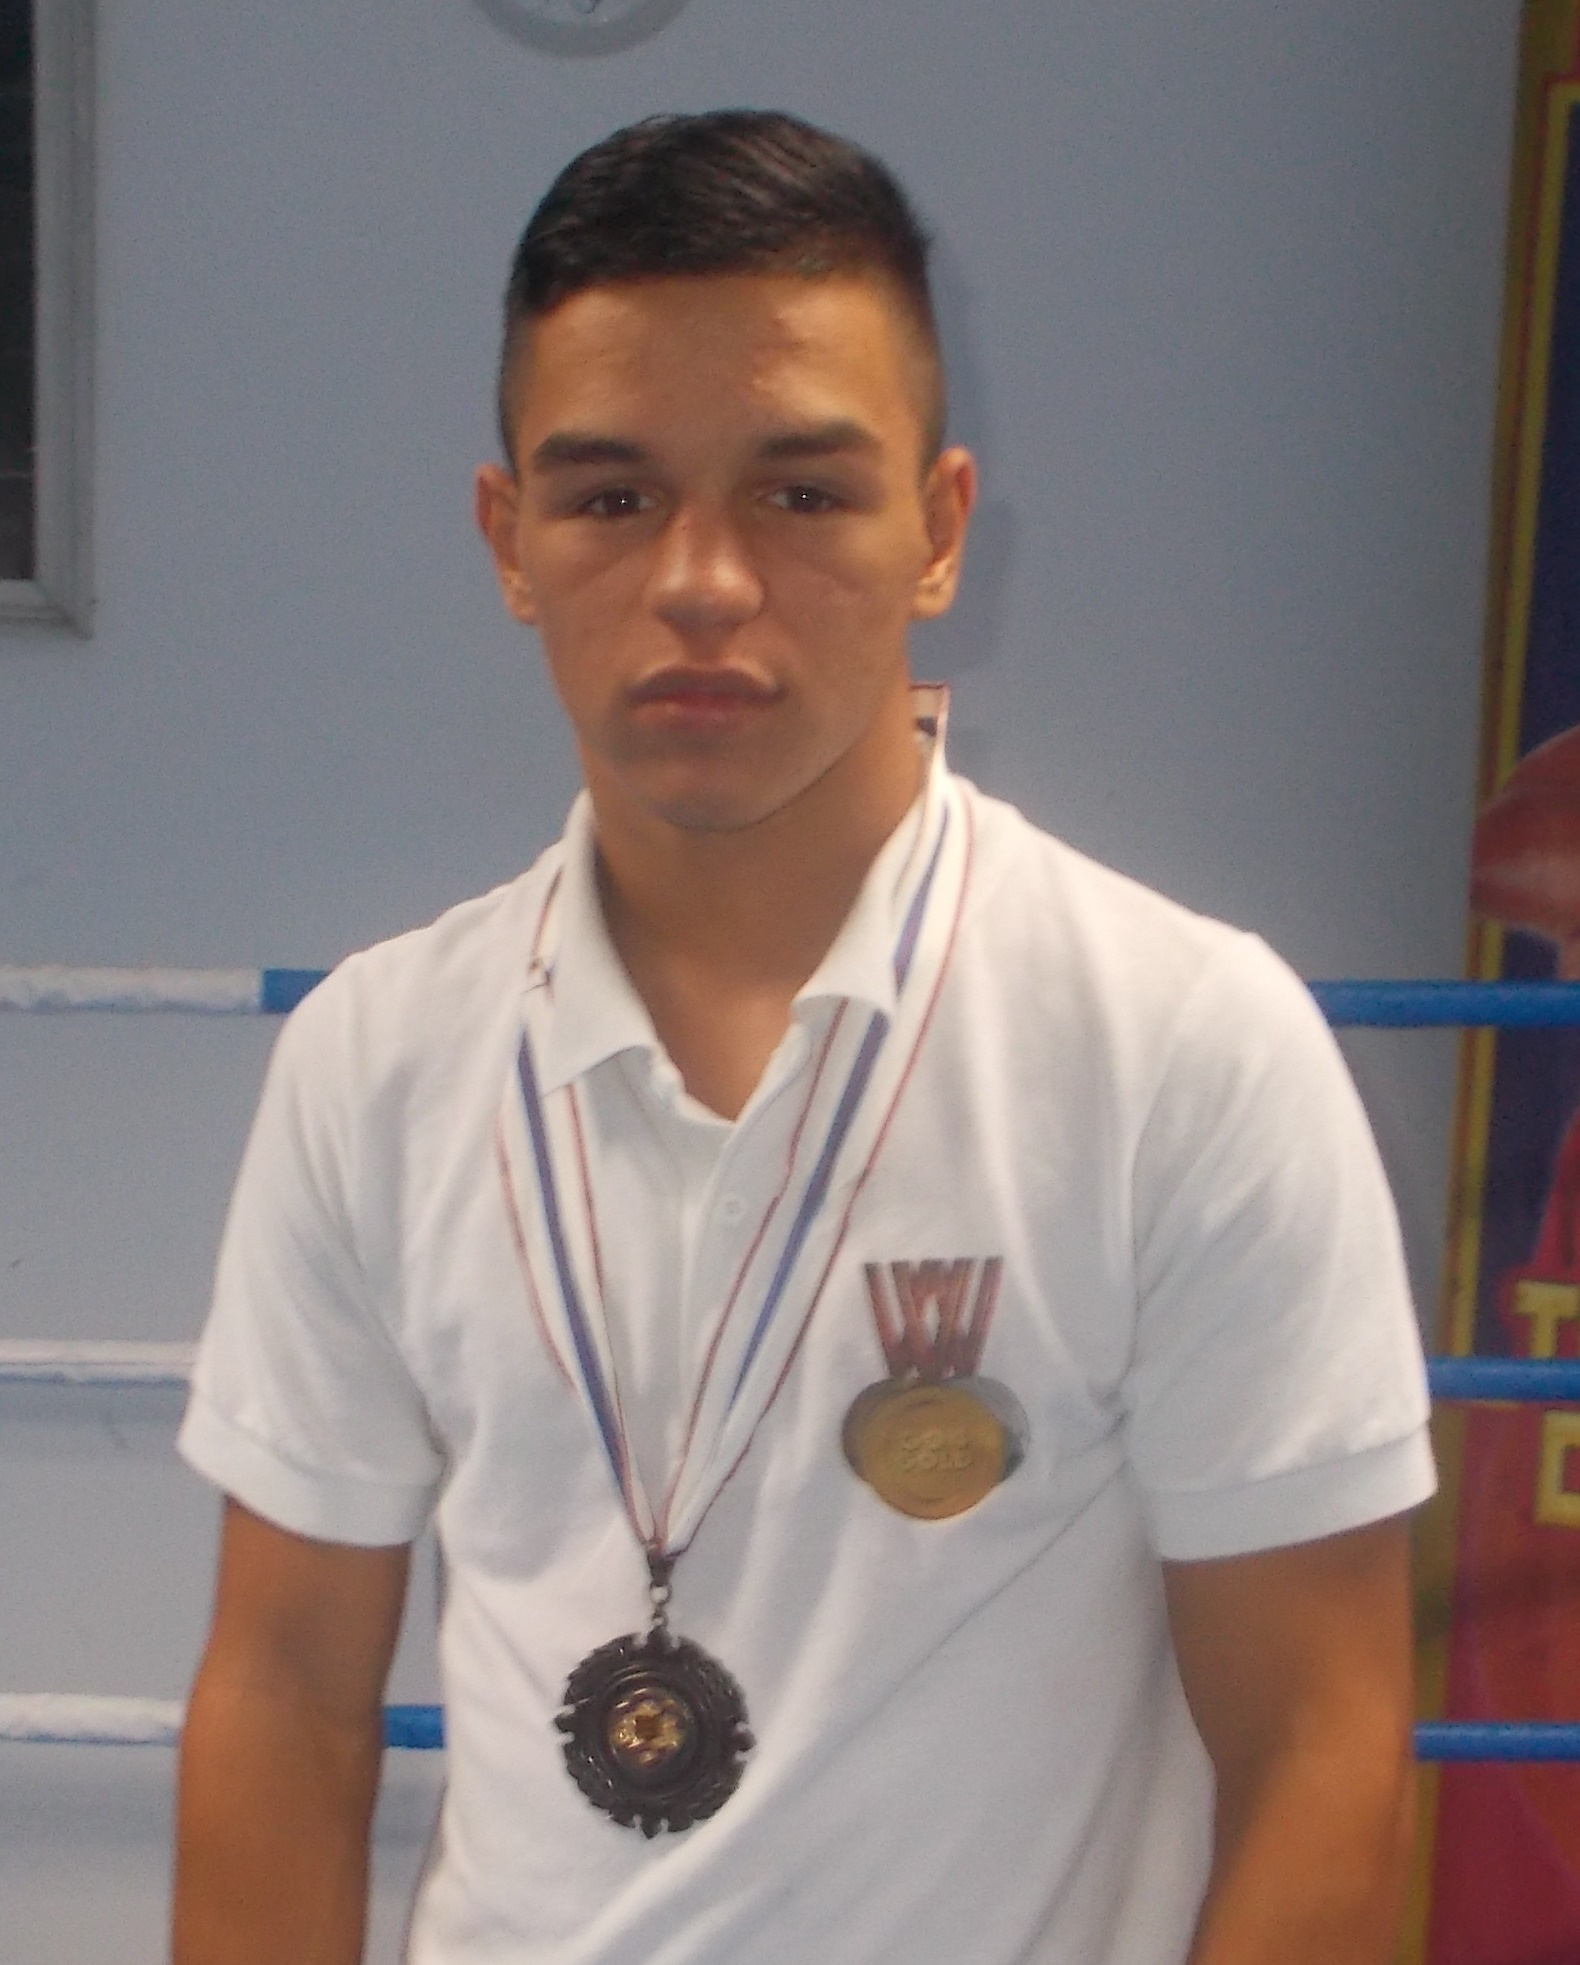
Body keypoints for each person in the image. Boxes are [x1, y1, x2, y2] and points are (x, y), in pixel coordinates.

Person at [171, 110, 1435, 1965]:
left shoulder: (1182, 1047)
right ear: (509, 539)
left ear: (939, 531)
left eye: (803, 494)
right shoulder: (377, 1058)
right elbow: (283, 1696)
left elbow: (1322, 1744)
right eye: (612, 498)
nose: (701, 580)